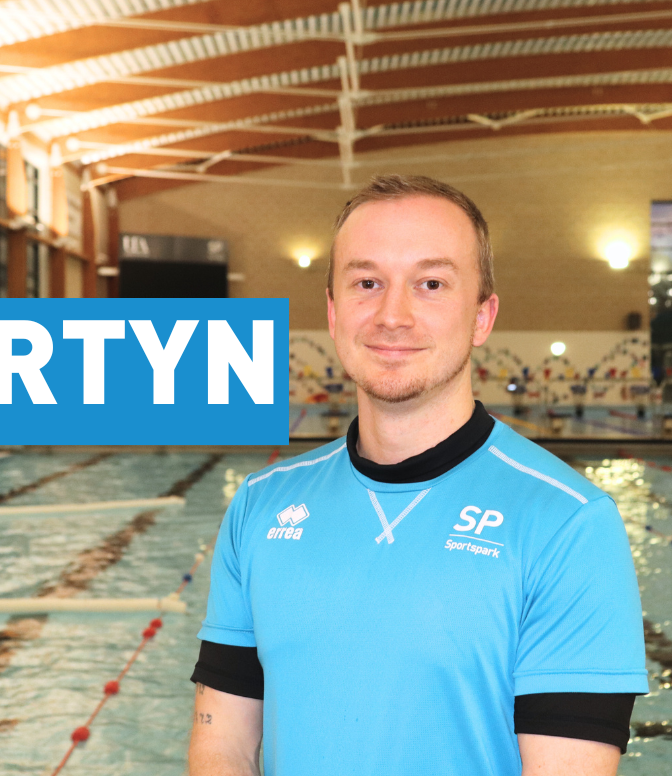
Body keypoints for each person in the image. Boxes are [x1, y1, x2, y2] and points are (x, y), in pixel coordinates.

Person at [188, 175, 647, 776]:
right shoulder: (260, 505)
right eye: (366, 283)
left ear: (482, 316)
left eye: (431, 284)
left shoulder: (568, 523)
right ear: (332, 310)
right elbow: (222, 746)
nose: (392, 315)